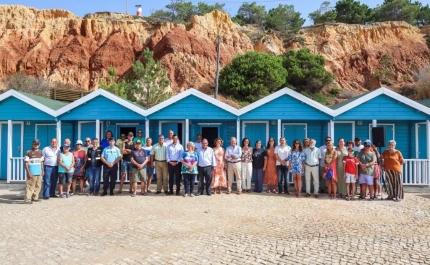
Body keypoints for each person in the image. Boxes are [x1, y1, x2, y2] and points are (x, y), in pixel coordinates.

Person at [24, 139, 44, 204]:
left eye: (37, 144)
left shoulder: (41, 152)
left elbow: (42, 162)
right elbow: (26, 163)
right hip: (31, 172)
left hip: (39, 172)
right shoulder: (28, 152)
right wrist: (28, 172)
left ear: (39, 144)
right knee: (30, 186)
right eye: (35, 144)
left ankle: (35, 198)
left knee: (38, 186)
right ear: (32, 144)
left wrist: (43, 170)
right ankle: (27, 199)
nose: (36, 145)